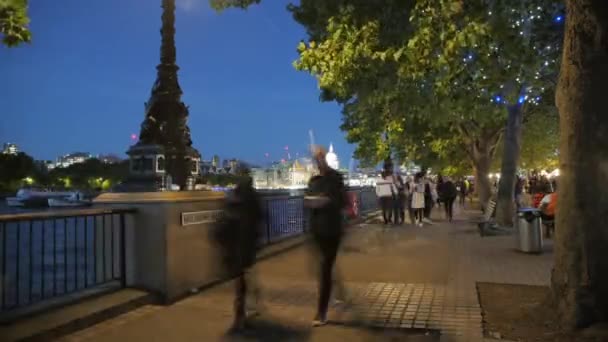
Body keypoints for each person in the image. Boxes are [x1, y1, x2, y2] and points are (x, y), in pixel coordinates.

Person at [213, 167, 264, 331]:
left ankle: (241, 314)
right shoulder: (252, 196)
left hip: (235, 243)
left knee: (240, 278)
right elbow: (261, 217)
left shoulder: (233, 195)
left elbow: (224, 219)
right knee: (244, 275)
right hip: (246, 242)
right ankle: (246, 308)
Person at [305, 146, 347, 327]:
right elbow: (307, 200)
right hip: (316, 230)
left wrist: (323, 201)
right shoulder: (313, 180)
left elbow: (339, 201)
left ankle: (321, 313)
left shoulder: (336, 178)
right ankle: (338, 292)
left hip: (332, 230)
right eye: (315, 158)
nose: (318, 161)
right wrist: (318, 200)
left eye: (320, 157)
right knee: (326, 267)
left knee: (325, 269)